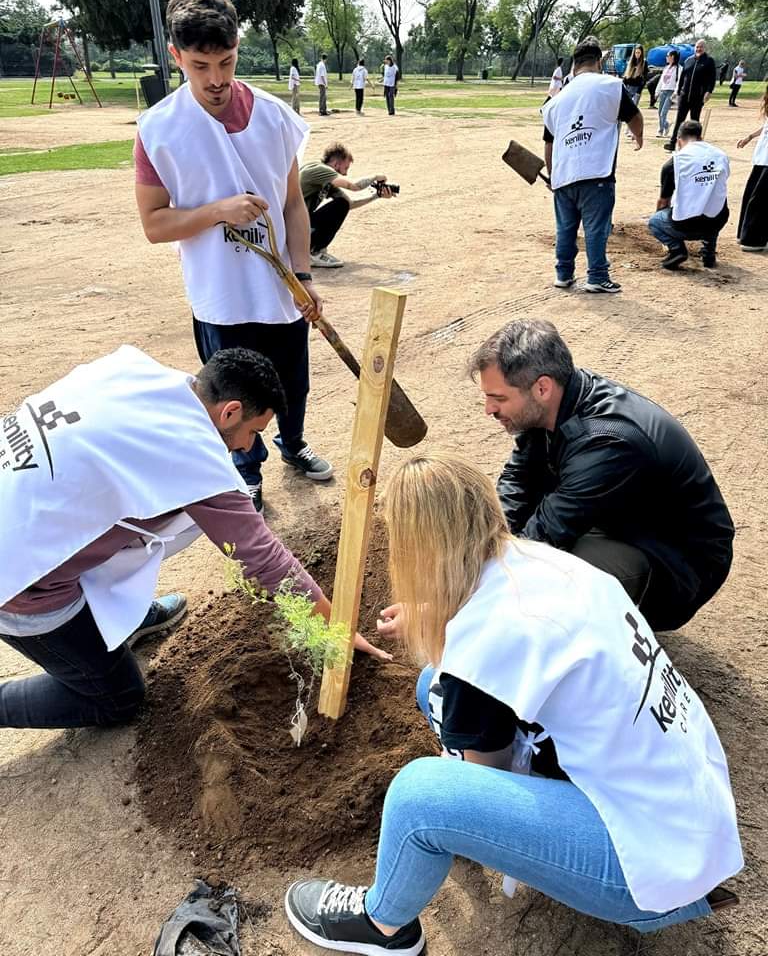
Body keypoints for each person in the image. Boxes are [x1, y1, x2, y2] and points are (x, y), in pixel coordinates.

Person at [283, 454, 742, 956]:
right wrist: (434, 615)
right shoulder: (548, 564)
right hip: (686, 814)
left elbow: (486, 767)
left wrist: (458, 793)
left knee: (421, 797)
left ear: (416, 549)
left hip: (645, 868)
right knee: (431, 686)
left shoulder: (485, 639)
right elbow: (495, 628)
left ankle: (383, 925)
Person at [0, 346, 388, 730]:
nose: (248, 447)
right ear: (230, 411)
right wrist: (334, 628)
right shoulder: (191, 453)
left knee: (123, 524)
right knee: (118, 697)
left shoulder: (138, 372)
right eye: (254, 432)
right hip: (19, 582)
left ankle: (123, 618)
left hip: (26, 516)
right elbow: (266, 559)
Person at [134, 0, 332, 516]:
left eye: (226, 62)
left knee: (293, 383)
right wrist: (218, 211)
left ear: (237, 49)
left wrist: (305, 274)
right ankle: (247, 473)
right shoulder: (158, 130)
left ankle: (294, 445)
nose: (216, 78)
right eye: (201, 66)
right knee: (234, 397)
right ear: (177, 56)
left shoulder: (275, 118)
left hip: (281, 291)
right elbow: (155, 224)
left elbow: (292, 203)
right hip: (220, 296)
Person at [470, 319, 734, 632]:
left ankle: (588, 645)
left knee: (549, 582)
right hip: (626, 523)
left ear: (542, 387)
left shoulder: (607, 440)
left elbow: (545, 534)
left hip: (681, 562)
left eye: (498, 399)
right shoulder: (556, 401)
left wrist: (472, 589)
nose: (488, 409)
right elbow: (518, 480)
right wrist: (485, 540)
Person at [542, 36, 643, 294]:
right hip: (597, 171)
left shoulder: (555, 100)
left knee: (565, 228)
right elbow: (634, 116)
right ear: (599, 62)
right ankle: (597, 276)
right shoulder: (610, 85)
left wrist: (554, 176)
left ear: (574, 65)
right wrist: (638, 136)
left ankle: (563, 274)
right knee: (595, 228)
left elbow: (549, 143)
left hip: (564, 175)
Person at [648, 119, 730, 270]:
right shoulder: (721, 155)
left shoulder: (674, 163)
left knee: (654, 221)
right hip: (717, 220)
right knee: (712, 204)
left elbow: (664, 201)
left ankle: (677, 250)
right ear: (701, 137)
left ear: (679, 141)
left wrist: (662, 221)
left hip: (686, 225)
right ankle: (709, 254)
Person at [300, 143, 393, 268]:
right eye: (346, 168)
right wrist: (375, 177)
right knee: (340, 205)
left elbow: (349, 204)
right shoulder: (319, 169)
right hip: (292, 225)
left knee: (341, 204)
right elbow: (354, 186)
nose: (345, 174)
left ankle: (314, 249)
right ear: (336, 164)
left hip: (297, 223)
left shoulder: (326, 180)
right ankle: (313, 252)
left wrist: (377, 196)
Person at [664, 39, 715, 151]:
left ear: (704, 48)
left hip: (698, 96)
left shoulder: (709, 61)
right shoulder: (688, 60)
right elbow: (682, 78)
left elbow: (712, 79)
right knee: (679, 120)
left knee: (694, 121)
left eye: (701, 47)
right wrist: (678, 92)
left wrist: (708, 91)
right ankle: (673, 143)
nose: (698, 49)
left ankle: (695, 145)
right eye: (697, 47)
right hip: (684, 95)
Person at [736, 84, 768, 252]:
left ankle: (755, 239)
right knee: (752, 193)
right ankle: (746, 234)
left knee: (760, 198)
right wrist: (750, 136)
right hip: (762, 156)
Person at [656, 50, 681, 137]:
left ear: (673, 57)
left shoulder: (679, 68)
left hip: (671, 92)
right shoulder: (666, 68)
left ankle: (660, 130)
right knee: (659, 112)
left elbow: (679, 81)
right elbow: (661, 81)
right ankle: (666, 125)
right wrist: (657, 91)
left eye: (668, 56)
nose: (666, 58)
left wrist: (675, 92)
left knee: (663, 112)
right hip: (663, 91)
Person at [622, 44, 648, 126]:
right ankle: (628, 127)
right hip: (628, 88)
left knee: (633, 110)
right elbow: (626, 77)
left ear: (641, 53)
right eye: (636, 52)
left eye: (639, 53)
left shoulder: (644, 63)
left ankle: (631, 129)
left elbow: (644, 79)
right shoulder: (630, 62)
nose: (637, 54)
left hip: (636, 88)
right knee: (626, 109)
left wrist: (639, 91)